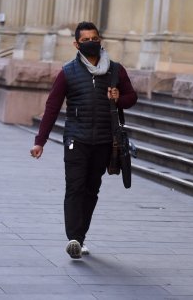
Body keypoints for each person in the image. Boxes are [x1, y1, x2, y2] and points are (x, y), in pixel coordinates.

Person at [30, 21, 137, 259]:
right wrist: (40, 141)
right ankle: (74, 239)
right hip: (76, 140)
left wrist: (119, 98)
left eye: (95, 38)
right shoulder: (68, 72)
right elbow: (52, 107)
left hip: (104, 141)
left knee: (91, 190)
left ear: (101, 40)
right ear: (76, 44)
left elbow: (132, 97)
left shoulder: (116, 70)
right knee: (75, 187)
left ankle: (81, 236)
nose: (92, 43)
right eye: (86, 40)